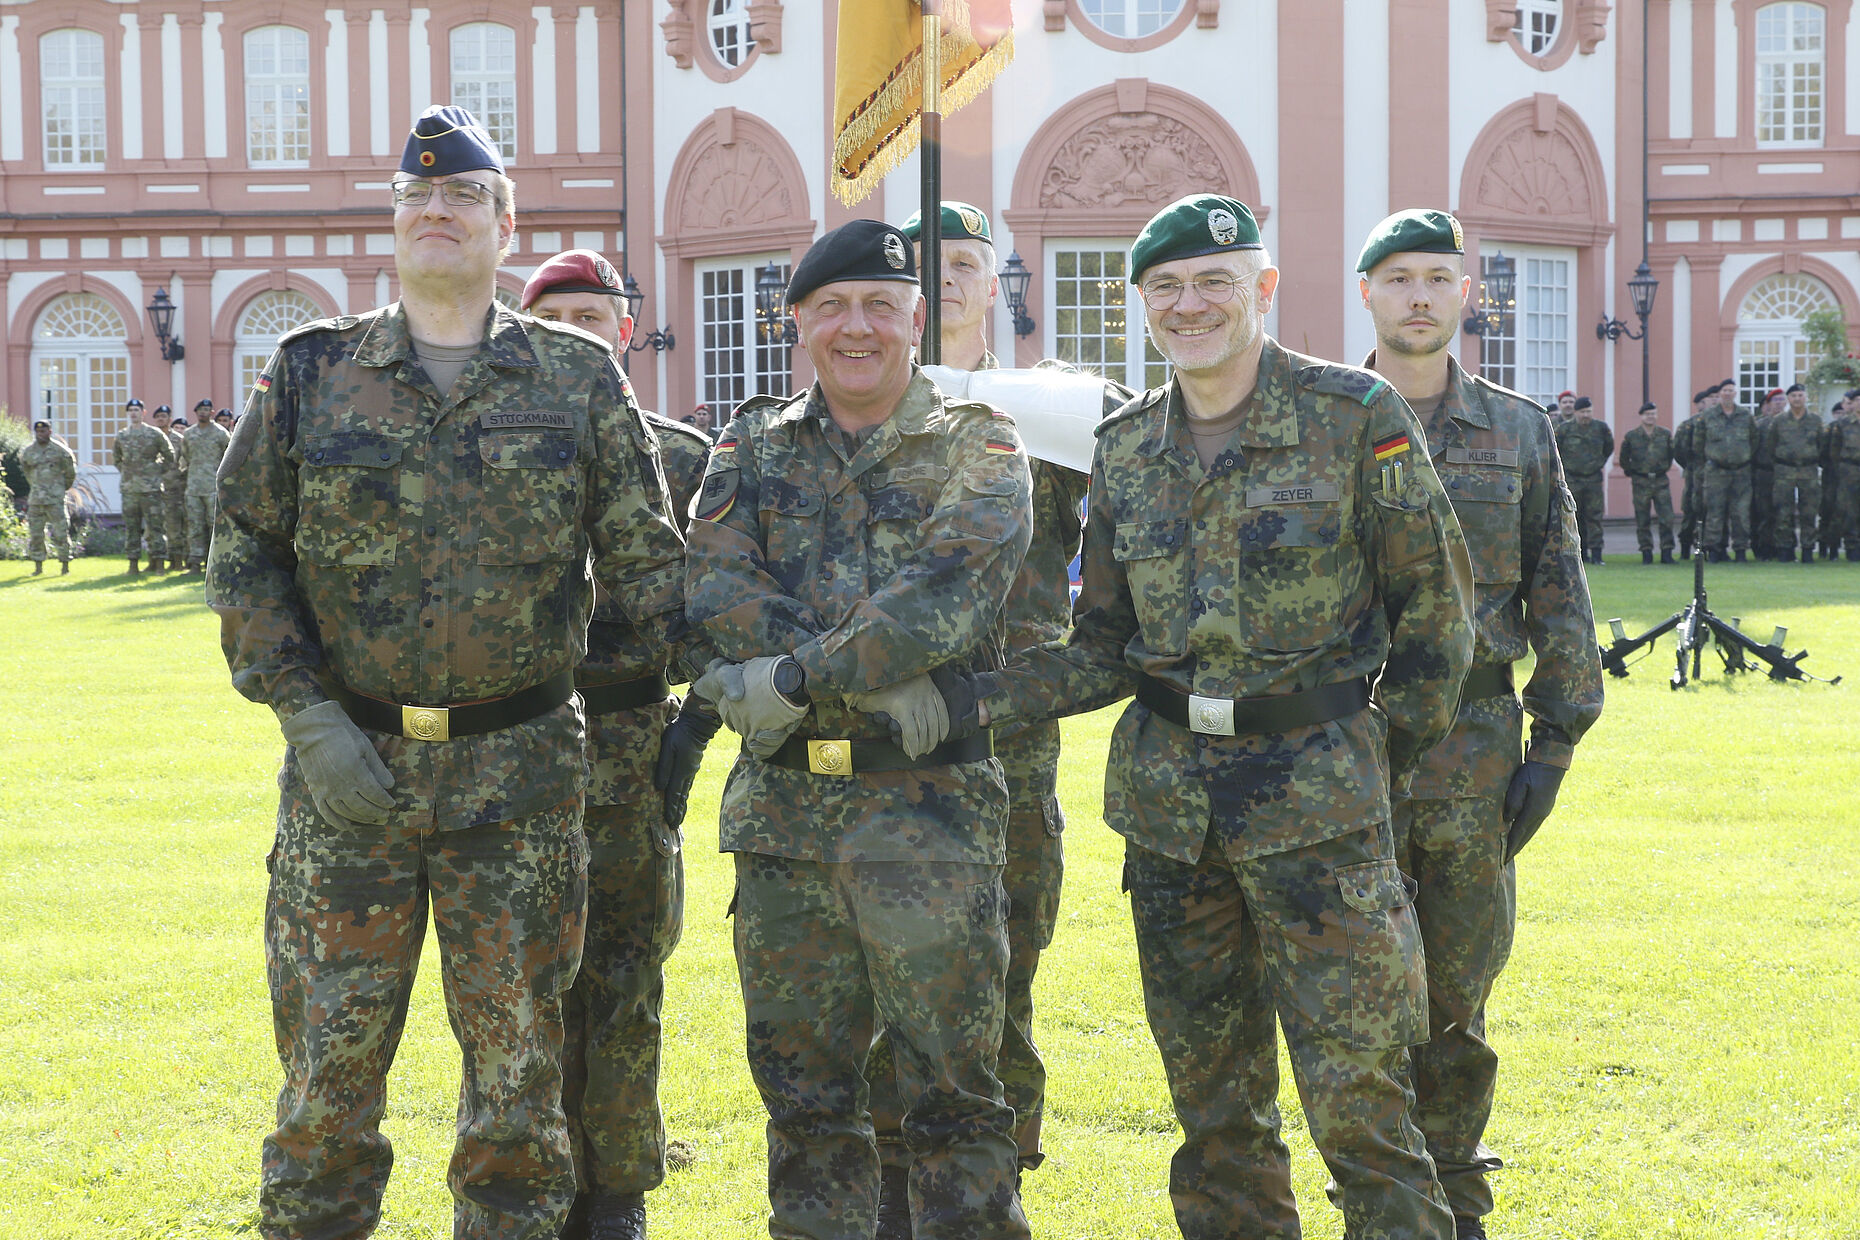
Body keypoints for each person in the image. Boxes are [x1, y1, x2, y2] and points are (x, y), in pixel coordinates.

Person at [206, 104, 697, 1240]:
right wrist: (307, 716)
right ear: (392, 219)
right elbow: (244, 556)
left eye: (466, 194)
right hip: (349, 782)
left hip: (520, 786)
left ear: (504, 226)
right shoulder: (312, 371)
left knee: (520, 1088)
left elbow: (649, 569)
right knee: (325, 1077)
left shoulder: (575, 378)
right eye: (418, 194)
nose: (440, 210)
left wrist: (603, 723)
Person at [979, 194, 1474, 1240]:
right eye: (1166, 287)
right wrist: (962, 699)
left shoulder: (1356, 417)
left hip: (1322, 817)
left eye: (1216, 281)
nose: (1191, 304)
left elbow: (1437, 616)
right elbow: (1104, 645)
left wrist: (1370, 757)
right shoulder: (1124, 447)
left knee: (1364, 1108)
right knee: (1213, 1116)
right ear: (1142, 303)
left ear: (1264, 287)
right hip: (1173, 823)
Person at [684, 219, 1035, 1240]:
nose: (857, 326)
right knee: (804, 1102)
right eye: (832, 306)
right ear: (797, 321)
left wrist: (796, 676)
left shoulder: (980, 441)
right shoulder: (752, 444)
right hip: (785, 822)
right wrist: (874, 681)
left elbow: (948, 596)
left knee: (955, 1097)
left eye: (882, 305)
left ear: (916, 320)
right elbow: (717, 589)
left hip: (929, 817)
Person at [853, 202, 1130, 1236]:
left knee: (1005, 957)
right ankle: (890, 1180)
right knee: (881, 965)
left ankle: (995, 1175)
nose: (949, 277)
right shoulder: (861, 406)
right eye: (928, 263)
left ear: (997, 283)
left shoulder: (1052, 412)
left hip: (1010, 736)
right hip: (881, 736)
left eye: (967, 262)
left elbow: (1129, 478)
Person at [1355, 210, 1604, 1240]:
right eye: (1398, 278)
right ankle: (1380, 1202)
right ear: (1367, 294)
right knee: (1359, 997)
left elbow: (1560, 590)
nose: (1418, 296)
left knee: (1457, 998)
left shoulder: (1519, 431)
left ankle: (1456, 1203)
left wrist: (1556, 743)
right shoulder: (1326, 422)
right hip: (1347, 748)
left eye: (1436, 278)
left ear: (1466, 295)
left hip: (1475, 747)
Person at [519, 246, 720, 1240]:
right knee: (523, 979)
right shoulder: (493, 456)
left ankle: (618, 1188)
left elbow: (723, 613)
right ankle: (539, 1172)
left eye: (593, 319)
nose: (578, 337)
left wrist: (694, 733)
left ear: (626, 332)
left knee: (628, 971)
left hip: (633, 745)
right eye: (555, 322)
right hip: (515, 750)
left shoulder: (682, 458)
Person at [112, 396, 174, 574]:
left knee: (155, 527)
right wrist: (127, 473)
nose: (133, 414)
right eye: (130, 411)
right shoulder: (122, 436)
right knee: (132, 528)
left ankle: (159, 563)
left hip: (151, 489)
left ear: (143, 413)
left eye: (136, 410)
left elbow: (169, 455)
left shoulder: (154, 434)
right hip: (130, 489)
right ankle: (133, 565)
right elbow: (116, 458)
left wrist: (156, 472)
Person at [1763, 384, 1823, 563]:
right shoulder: (1779, 421)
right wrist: (1782, 461)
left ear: (1805, 398)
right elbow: (1770, 446)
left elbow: (1822, 445)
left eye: (1800, 395)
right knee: (1783, 511)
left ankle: (1807, 549)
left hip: (1808, 470)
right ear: (1789, 399)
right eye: (1794, 396)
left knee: (1809, 511)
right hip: (1785, 470)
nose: (1797, 399)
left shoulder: (1815, 420)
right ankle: (1785, 550)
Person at [1699, 380, 1756, 562]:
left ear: (1735, 393)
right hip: (1716, 472)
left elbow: (1754, 441)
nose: (1728, 394)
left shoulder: (1745, 415)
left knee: (1741, 513)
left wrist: (1743, 457)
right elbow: (1698, 443)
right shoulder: (1708, 416)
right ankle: (1714, 551)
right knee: (1715, 513)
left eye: (1731, 391)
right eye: (1724, 391)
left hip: (1741, 473)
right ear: (1720, 394)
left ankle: (1740, 550)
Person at [1553, 396, 1612, 565]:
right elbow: (1556, 450)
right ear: (1576, 412)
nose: (1586, 415)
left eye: (1588, 411)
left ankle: (1597, 553)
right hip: (1572, 479)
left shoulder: (1601, 428)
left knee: (1595, 517)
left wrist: (1597, 463)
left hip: (1593, 479)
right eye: (1582, 412)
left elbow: (1608, 448)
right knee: (1574, 516)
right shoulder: (1564, 429)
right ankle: (1580, 552)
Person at [1618, 401, 1676, 564]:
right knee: (1642, 519)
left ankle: (1667, 552)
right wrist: (1633, 472)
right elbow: (1623, 458)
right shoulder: (1632, 436)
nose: (1650, 417)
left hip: (1660, 480)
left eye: (1653, 414)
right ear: (1641, 416)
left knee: (1667, 518)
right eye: (1647, 414)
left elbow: (1671, 454)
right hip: (1641, 481)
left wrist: (1663, 468)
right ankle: (1646, 552)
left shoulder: (1665, 434)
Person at [21, 413, 78, 574]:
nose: (40, 434)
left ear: (50, 432)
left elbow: (70, 473)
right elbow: (26, 472)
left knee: (61, 533)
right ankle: (38, 567)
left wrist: (60, 488)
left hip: (55, 499)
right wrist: (36, 486)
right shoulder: (28, 452)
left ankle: (65, 565)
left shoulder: (61, 451)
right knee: (36, 534)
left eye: (44, 431)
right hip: (36, 500)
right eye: (38, 431)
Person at [183, 397, 232, 572]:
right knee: (194, 525)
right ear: (196, 412)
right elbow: (185, 457)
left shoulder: (221, 433)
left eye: (206, 410)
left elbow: (229, 457)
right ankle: (195, 562)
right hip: (193, 488)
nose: (203, 413)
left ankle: (215, 563)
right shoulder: (188, 434)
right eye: (200, 410)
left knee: (215, 525)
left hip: (214, 487)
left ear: (212, 412)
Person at [1673, 390, 1711, 559]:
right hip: (1694, 475)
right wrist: (1691, 467)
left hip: (1714, 476)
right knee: (1690, 512)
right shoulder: (1688, 425)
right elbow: (1678, 451)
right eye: (1710, 399)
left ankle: (1707, 548)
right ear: (1700, 404)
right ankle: (1685, 547)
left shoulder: (1716, 423)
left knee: (1710, 514)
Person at [1750, 388, 1783, 560]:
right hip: (1763, 473)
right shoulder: (1760, 425)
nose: (1779, 404)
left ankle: (1782, 547)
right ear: (1768, 404)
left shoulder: (1789, 423)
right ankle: (1763, 548)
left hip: (1784, 472)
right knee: (1763, 512)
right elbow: (1751, 449)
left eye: (1781, 400)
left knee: (1783, 511)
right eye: (1775, 401)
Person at [1828, 393, 1860, 561]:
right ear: (1852, 404)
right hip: (1849, 470)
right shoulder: (1842, 424)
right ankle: (1852, 547)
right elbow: (1834, 450)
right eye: (1858, 401)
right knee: (1849, 510)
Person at [161, 408, 191, 570]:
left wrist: (181, 478)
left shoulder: (180, 440)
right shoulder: (156, 438)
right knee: (166, 526)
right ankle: (169, 559)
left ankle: (182, 559)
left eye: (182, 428)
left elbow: (186, 462)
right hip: (159, 488)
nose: (179, 430)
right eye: (177, 428)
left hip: (178, 488)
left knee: (181, 525)